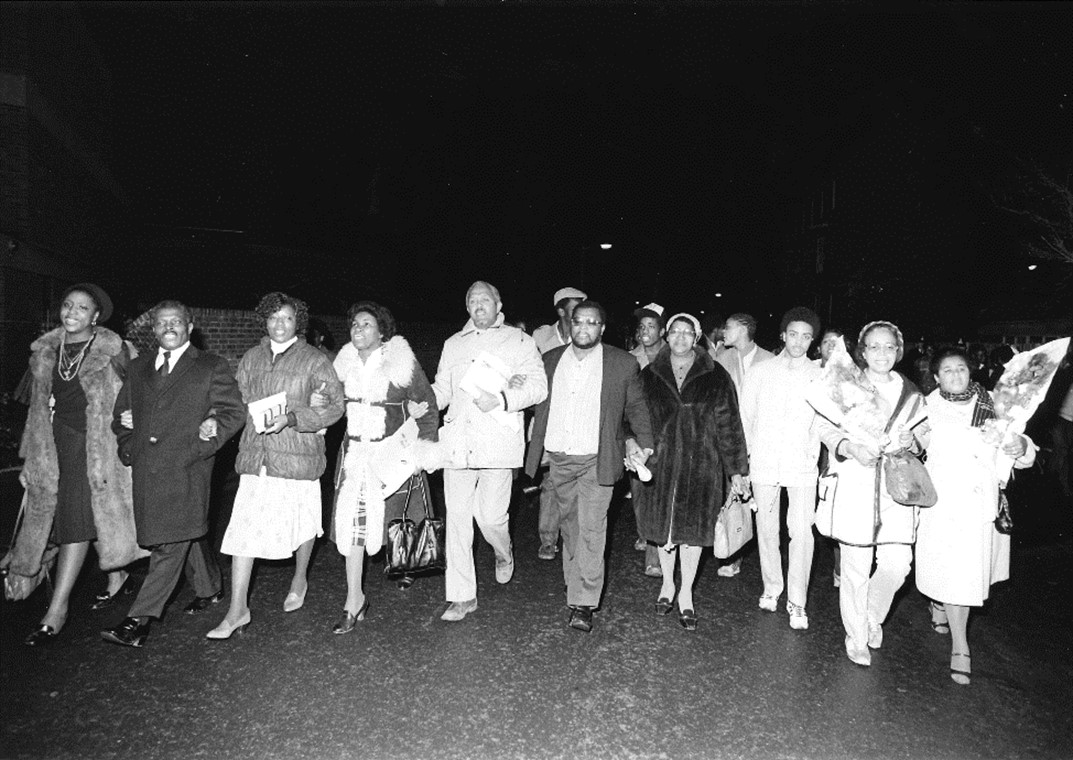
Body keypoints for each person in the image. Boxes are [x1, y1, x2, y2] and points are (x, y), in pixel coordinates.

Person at [101, 300, 245, 647]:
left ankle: (138, 620)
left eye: (176, 322)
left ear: (190, 326)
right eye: (162, 323)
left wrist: (202, 446)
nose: (169, 328)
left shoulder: (210, 365)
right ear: (154, 330)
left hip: (187, 468)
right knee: (183, 530)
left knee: (170, 542)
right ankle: (209, 587)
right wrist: (128, 445)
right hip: (149, 471)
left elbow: (233, 413)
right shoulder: (138, 368)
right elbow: (121, 416)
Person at [5, 284, 142, 646]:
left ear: (95, 316)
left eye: (82, 308)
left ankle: (57, 609)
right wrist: (30, 459)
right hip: (55, 444)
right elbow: (35, 411)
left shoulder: (116, 350)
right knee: (80, 514)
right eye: (67, 306)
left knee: (75, 520)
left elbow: (141, 391)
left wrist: (133, 422)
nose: (72, 313)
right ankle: (118, 575)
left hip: (96, 445)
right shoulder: (45, 351)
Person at [206, 293, 344, 640]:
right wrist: (213, 417)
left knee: (302, 523)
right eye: (273, 318)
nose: (279, 325)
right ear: (264, 322)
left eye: (286, 318)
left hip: (297, 455)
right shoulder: (252, 357)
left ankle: (300, 578)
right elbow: (236, 402)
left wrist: (295, 417)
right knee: (243, 530)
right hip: (257, 457)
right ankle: (237, 610)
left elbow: (335, 407)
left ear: (298, 323)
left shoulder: (314, 360)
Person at [525, 300, 654, 633]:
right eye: (578, 322)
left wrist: (644, 441)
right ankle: (575, 583)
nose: (583, 328)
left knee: (592, 527)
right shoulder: (550, 360)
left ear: (602, 328)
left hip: (598, 458)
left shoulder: (621, 364)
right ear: (570, 324)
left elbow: (637, 407)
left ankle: (583, 601)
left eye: (592, 323)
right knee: (571, 527)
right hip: (560, 457)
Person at [915, 347, 1036, 685]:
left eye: (961, 369)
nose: (956, 375)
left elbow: (1023, 445)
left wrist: (1020, 447)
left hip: (979, 503)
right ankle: (954, 632)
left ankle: (954, 634)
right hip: (943, 505)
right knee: (949, 572)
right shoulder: (925, 409)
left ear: (971, 372)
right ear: (936, 377)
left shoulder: (995, 403)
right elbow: (911, 448)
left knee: (965, 576)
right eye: (948, 371)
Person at [815, 320, 930, 667]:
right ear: (862, 352)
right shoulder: (846, 385)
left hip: (897, 485)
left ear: (899, 351)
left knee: (898, 564)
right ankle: (856, 635)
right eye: (874, 347)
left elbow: (926, 433)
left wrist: (917, 442)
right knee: (855, 566)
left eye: (889, 347)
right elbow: (823, 427)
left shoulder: (912, 393)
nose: (883, 353)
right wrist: (848, 447)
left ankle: (871, 616)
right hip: (856, 479)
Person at [431, 281, 547, 622]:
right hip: (457, 443)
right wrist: (422, 405)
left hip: (497, 443)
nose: (478, 305)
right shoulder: (453, 344)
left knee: (491, 518)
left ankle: (503, 549)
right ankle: (462, 597)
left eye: (485, 299)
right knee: (457, 522)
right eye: (472, 301)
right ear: (466, 308)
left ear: (498, 305)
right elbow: (442, 389)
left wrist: (502, 400)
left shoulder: (520, 341)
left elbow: (538, 387)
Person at [324, 301, 438, 633]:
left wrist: (424, 448)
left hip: (392, 455)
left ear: (382, 331)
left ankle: (404, 566)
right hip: (356, 457)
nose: (358, 329)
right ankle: (353, 599)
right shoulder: (341, 365)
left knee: (397, 518)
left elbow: (428, 405)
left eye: (366, 324)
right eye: (355, 325)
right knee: (354, 524)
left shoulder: (402, 363)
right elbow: (330, 405)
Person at [634, 313, 750, 631]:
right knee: (664, 529)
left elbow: (729, 424)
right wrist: (634, 447)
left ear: (697, 337)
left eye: (688, 332)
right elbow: (634, 418)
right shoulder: (649, 376)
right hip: (661, 464)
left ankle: (686, 593)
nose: (681, 338)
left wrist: (736, 470)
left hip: (702, 464)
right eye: (675, 332)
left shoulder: (716, 375)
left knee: (693, 531)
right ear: (666, 336)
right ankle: (667, 585)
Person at [739, 307, 822, 630]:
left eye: (806, 336)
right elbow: (746, 419)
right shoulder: (761, 372)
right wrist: (742, 465)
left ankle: (797, 601)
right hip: (763, 462)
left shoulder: (820, 375)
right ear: (783, 335)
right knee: (767, 530)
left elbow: (825, 423)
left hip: (802, 466)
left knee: (801, 534)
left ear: (812, 340)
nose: (798, 341)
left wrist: (816, 458)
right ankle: (772, 587)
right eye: (793, 334)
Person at [714, 312, 774, 577]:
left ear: (744, 329)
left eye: (728, 327)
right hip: (729, 435)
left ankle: (760, 557)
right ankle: (732, 552)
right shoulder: (721, 359)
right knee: (731, 494)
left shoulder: (770, 361)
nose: (723, 331)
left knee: (756, 499)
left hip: (761, 438)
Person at [531, 286, 587, 561]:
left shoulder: (588, 335)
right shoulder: (542, 337)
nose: (581, 315)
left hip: (579, 422)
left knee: (576, 482)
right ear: (561, 310)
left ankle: (572, 539)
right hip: (551, 420)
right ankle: (548, 538)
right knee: (551, 481)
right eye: (575, 308)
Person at [628, 302, 667, 577]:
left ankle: (654, 553)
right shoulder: (631, 359)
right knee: (640, 490)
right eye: (641, 326)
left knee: (657, 494)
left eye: (651, 326)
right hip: (639, 435)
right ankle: (645, 533)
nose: (645, 331)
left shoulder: (675, 355)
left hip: (666, 436)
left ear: (662, 330)